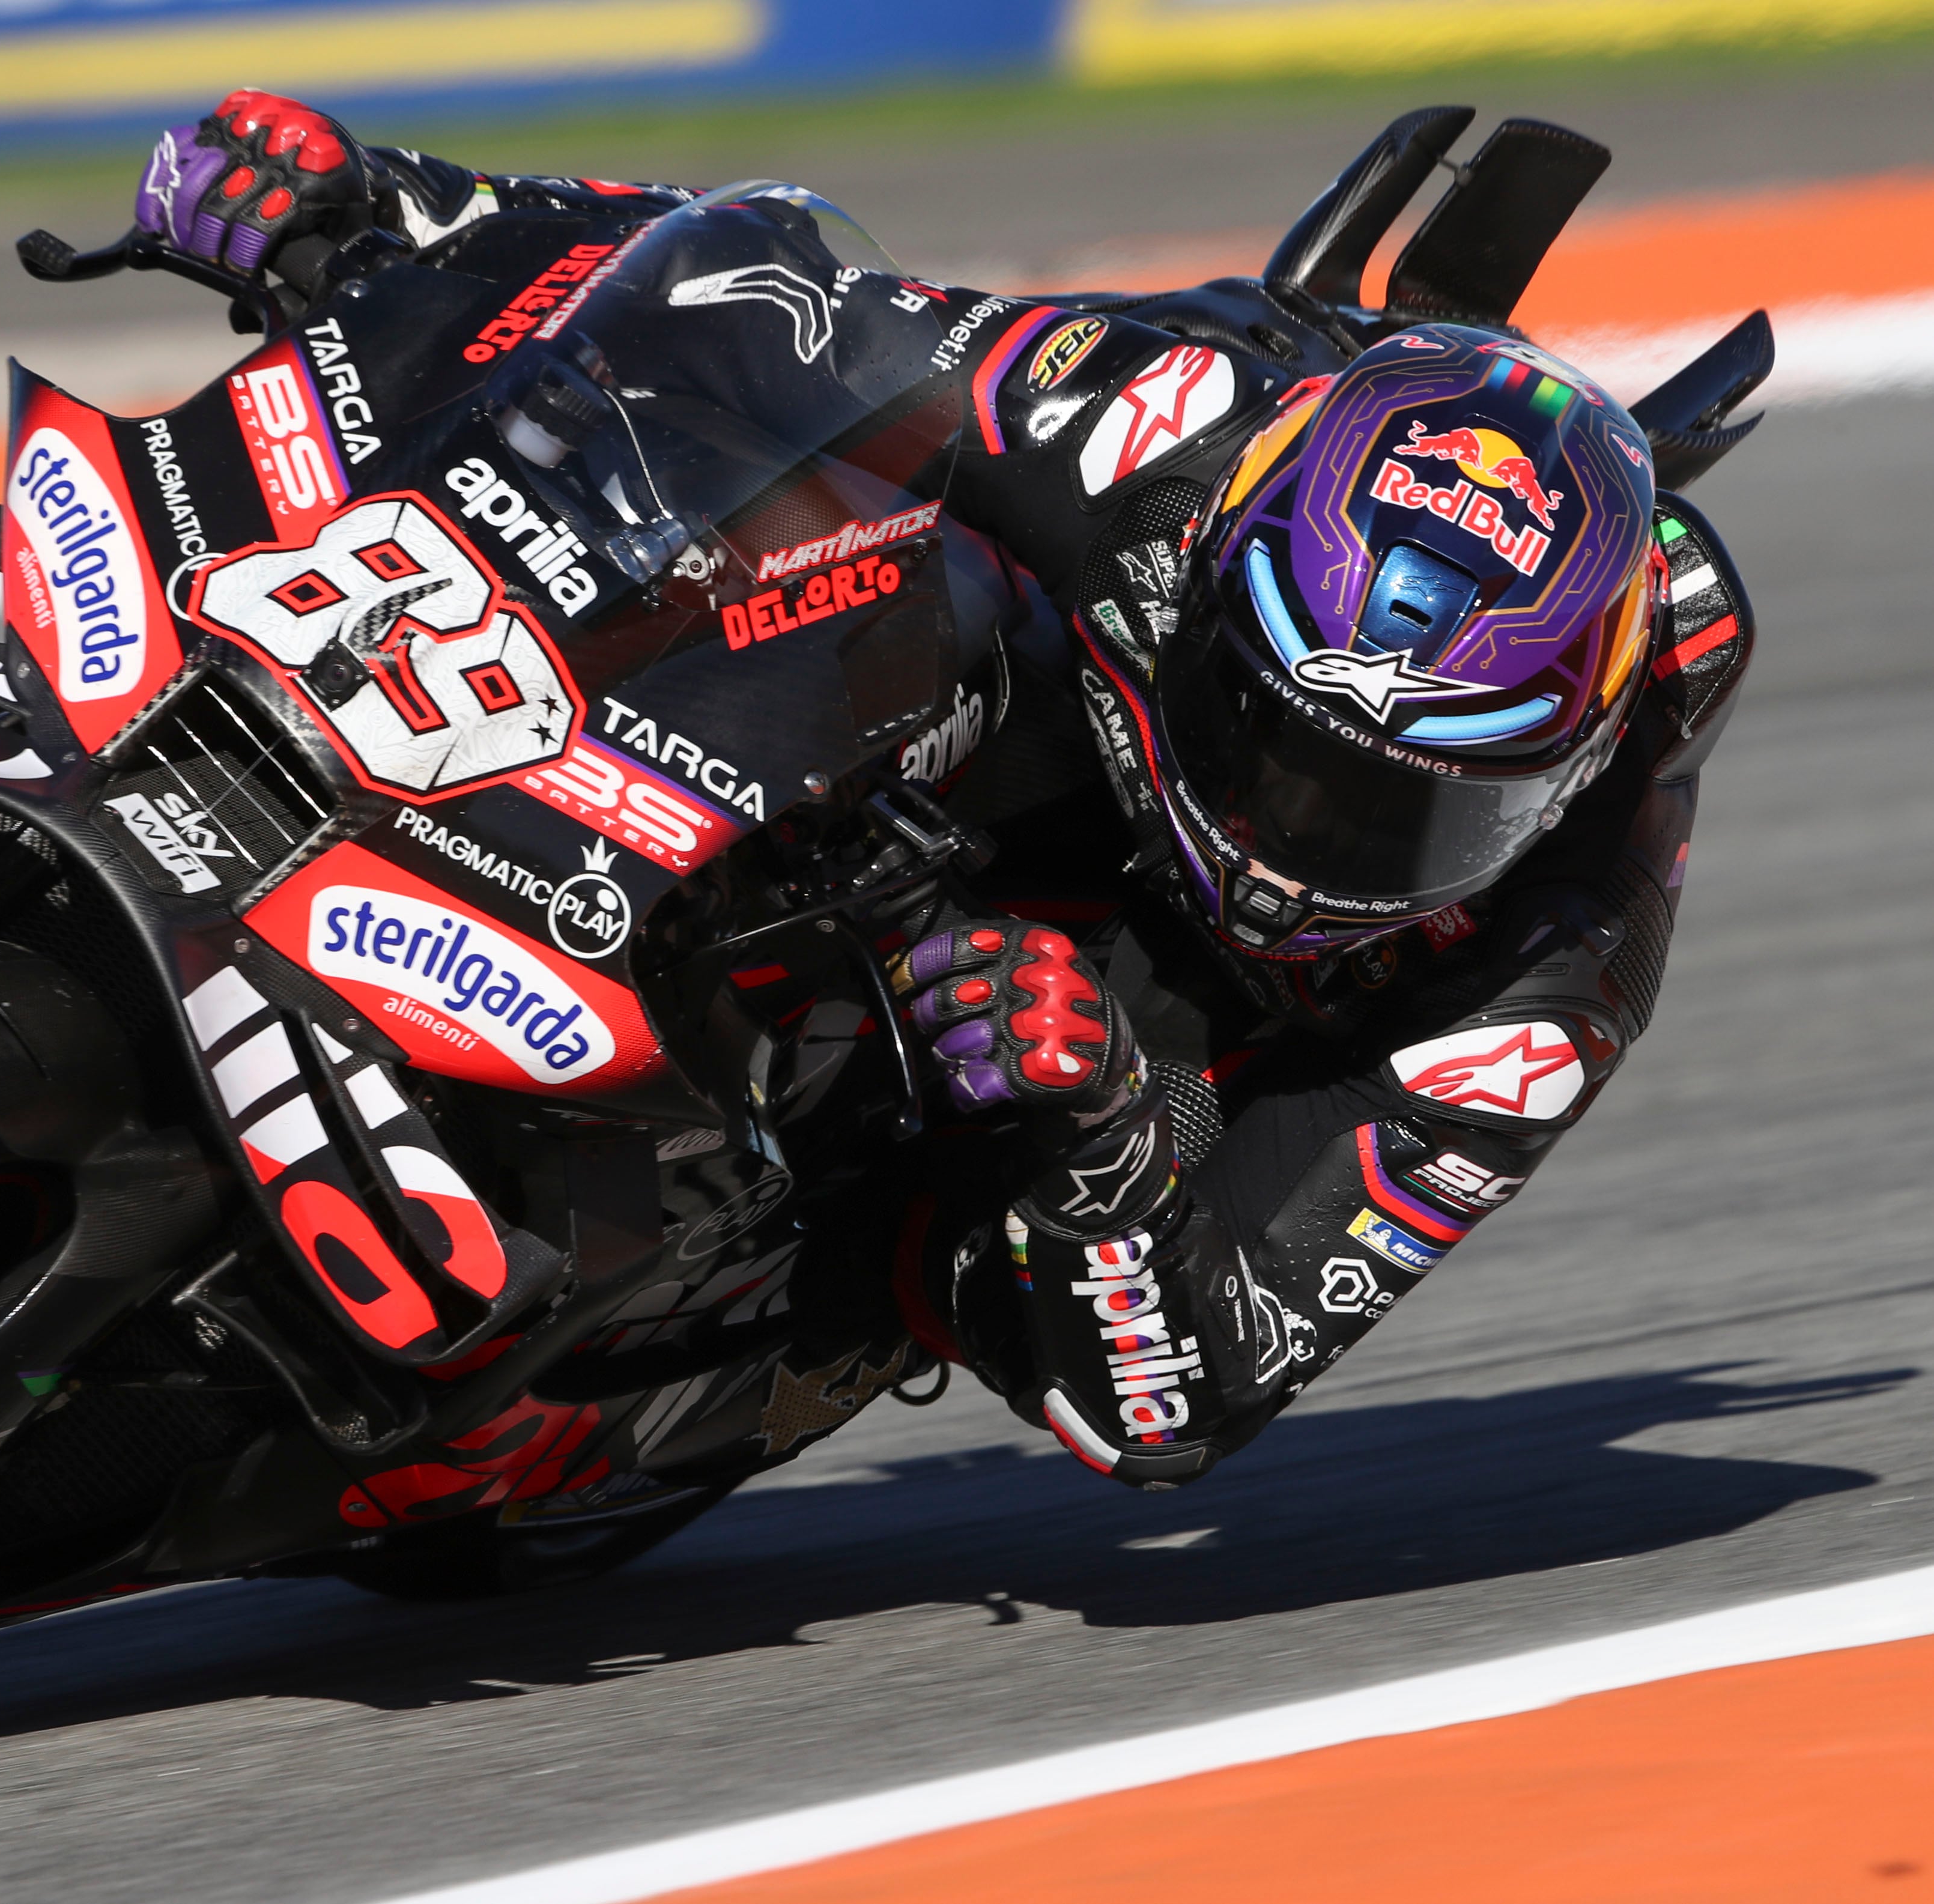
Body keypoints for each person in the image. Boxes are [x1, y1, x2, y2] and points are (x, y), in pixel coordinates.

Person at [129, 92, 1756, 1487]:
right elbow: (757, 300)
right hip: (848, 762)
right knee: (770, 514)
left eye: (1400, 814)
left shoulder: (1560, 959)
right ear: (1210, 572)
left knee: (935, 1227)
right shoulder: (1155, 423)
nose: (1291, 837)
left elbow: (1174, 1405)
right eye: (1266, 739)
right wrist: (385, 204)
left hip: (1042, 1099)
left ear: (1558, 768)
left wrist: (1102, 1125)